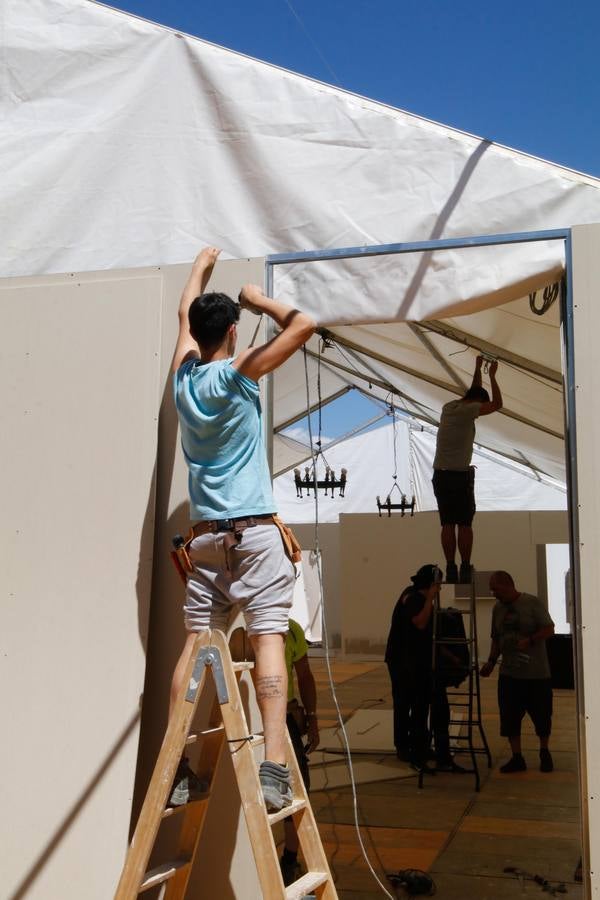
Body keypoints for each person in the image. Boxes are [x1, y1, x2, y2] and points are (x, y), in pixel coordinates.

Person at [168, 246, 316, 811]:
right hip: (254, 533)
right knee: (268, 637)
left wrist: (200, 265)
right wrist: (258, 298)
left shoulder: (184, 379)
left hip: (205, 538)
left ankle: (179, 765)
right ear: (232, 330)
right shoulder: (237, 372)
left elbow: (184, 314)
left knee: (197, 642)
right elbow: (304, 325)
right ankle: (274, 767)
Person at [432, 356, 502, 583]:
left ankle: (450, 565)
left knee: (447, 523)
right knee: (464, 523)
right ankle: (464, 565)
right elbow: (496, 405)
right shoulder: (470, 410)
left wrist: (477, 367)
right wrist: (492, 375)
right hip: (459, 476)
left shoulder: (449, 407)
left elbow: (474, 392)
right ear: (477, 403)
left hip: (441, 474)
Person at [480, 570, 555, 773]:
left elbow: (549, 629)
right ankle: (517, 757)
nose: (493, 593)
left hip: (536, 674)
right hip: (509, 674)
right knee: (510, 716)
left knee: (542, 715)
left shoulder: (532, 603)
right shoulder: (497, 609)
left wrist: (530, 640)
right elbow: (496, 637)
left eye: (495, 589)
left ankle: (544, 752)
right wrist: (491, 661)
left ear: (507, 585)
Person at [385, 564, 442, 773]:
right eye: (438, 585)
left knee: (420, 704)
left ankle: (420, 745)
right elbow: (420, 622)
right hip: (403, 661)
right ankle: (404, 747)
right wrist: (430, 599)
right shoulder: (413, 597)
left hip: (415, 660)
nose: (440, 589)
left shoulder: (412, 595)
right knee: (404, 703)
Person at [279, 619, 320, 886]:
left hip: (286, 717)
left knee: (296, 793)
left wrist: (312, 716)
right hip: (258, 717)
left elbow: (304, 675)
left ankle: (290, 860)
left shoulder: (291, 629)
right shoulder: (245, 625)